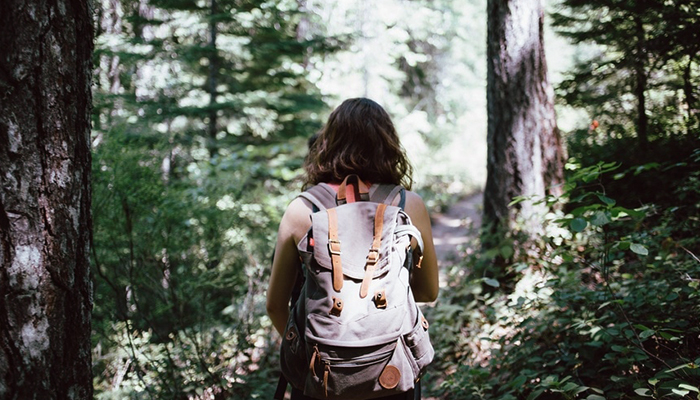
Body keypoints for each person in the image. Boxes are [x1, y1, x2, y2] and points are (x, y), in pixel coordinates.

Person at [266, 97, 439, 400]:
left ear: (328, 143)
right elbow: (427, 293)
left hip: (321, 376)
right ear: (387, 144)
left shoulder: (301, 210)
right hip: (390, 373)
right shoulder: (408, 204)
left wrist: (314, 349)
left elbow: (275, 305)